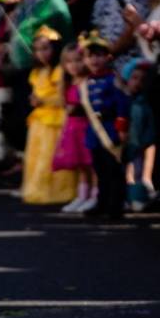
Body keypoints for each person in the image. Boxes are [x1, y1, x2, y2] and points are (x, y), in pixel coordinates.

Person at [78, 32, 130, 218]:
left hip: (110, 129)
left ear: (108, 57)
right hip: (95, 132)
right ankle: (102, 203)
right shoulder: (87, 83)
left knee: (114, 170)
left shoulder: (113, 80)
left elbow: (122, 105)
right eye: (90, 56)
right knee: (100, 171)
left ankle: (115, 206)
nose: (95, 60)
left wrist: (121, 128)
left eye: (99, 55)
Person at [21, 28, 74, 204]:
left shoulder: (59, 71)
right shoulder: (37, 72)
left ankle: (58, 191)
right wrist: (34, 99)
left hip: (56, 121)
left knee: (51, 156)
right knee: (36, 157)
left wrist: (42, 100)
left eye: (45, 48)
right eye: (37, 49)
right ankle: (37, 188)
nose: (41, 53)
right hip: (39, 120)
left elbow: (62, 97)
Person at [54, 42, 95, 213]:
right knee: (81, 166)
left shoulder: (89, 81)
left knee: (92, 165)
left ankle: (95, 196)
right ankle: (82, 195)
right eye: (69, 61)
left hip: (88, 127)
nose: (74, 65)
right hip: (73, 129)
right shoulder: (68, 82)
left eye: (78, 60)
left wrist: (78, 107)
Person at [121, 58, 157, 212]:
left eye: (142, 80)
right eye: (134, 78)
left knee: (137, 173)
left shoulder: (143, 104)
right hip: (122, 145)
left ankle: (136, 198)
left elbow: (150, 128)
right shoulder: (122, 101)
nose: (138, 83)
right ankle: (123, 199)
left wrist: (147, 141)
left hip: (138, 146)